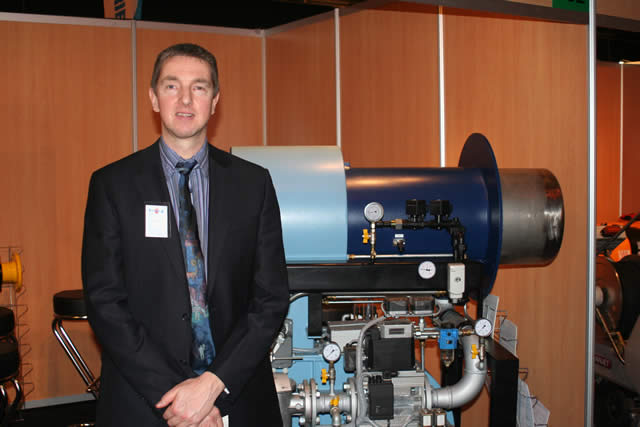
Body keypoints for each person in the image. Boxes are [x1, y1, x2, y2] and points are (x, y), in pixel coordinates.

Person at [81, 43, 289, 426]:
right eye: (172, 86)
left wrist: (212, 386)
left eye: (199, 87)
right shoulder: (113, 185)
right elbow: (105, 302)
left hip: (236, 396)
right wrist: (180, 399)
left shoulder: (253, 185)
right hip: (144, 401)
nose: (186, 99)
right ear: (153, 98)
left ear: (215, 101)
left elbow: (270, 298)